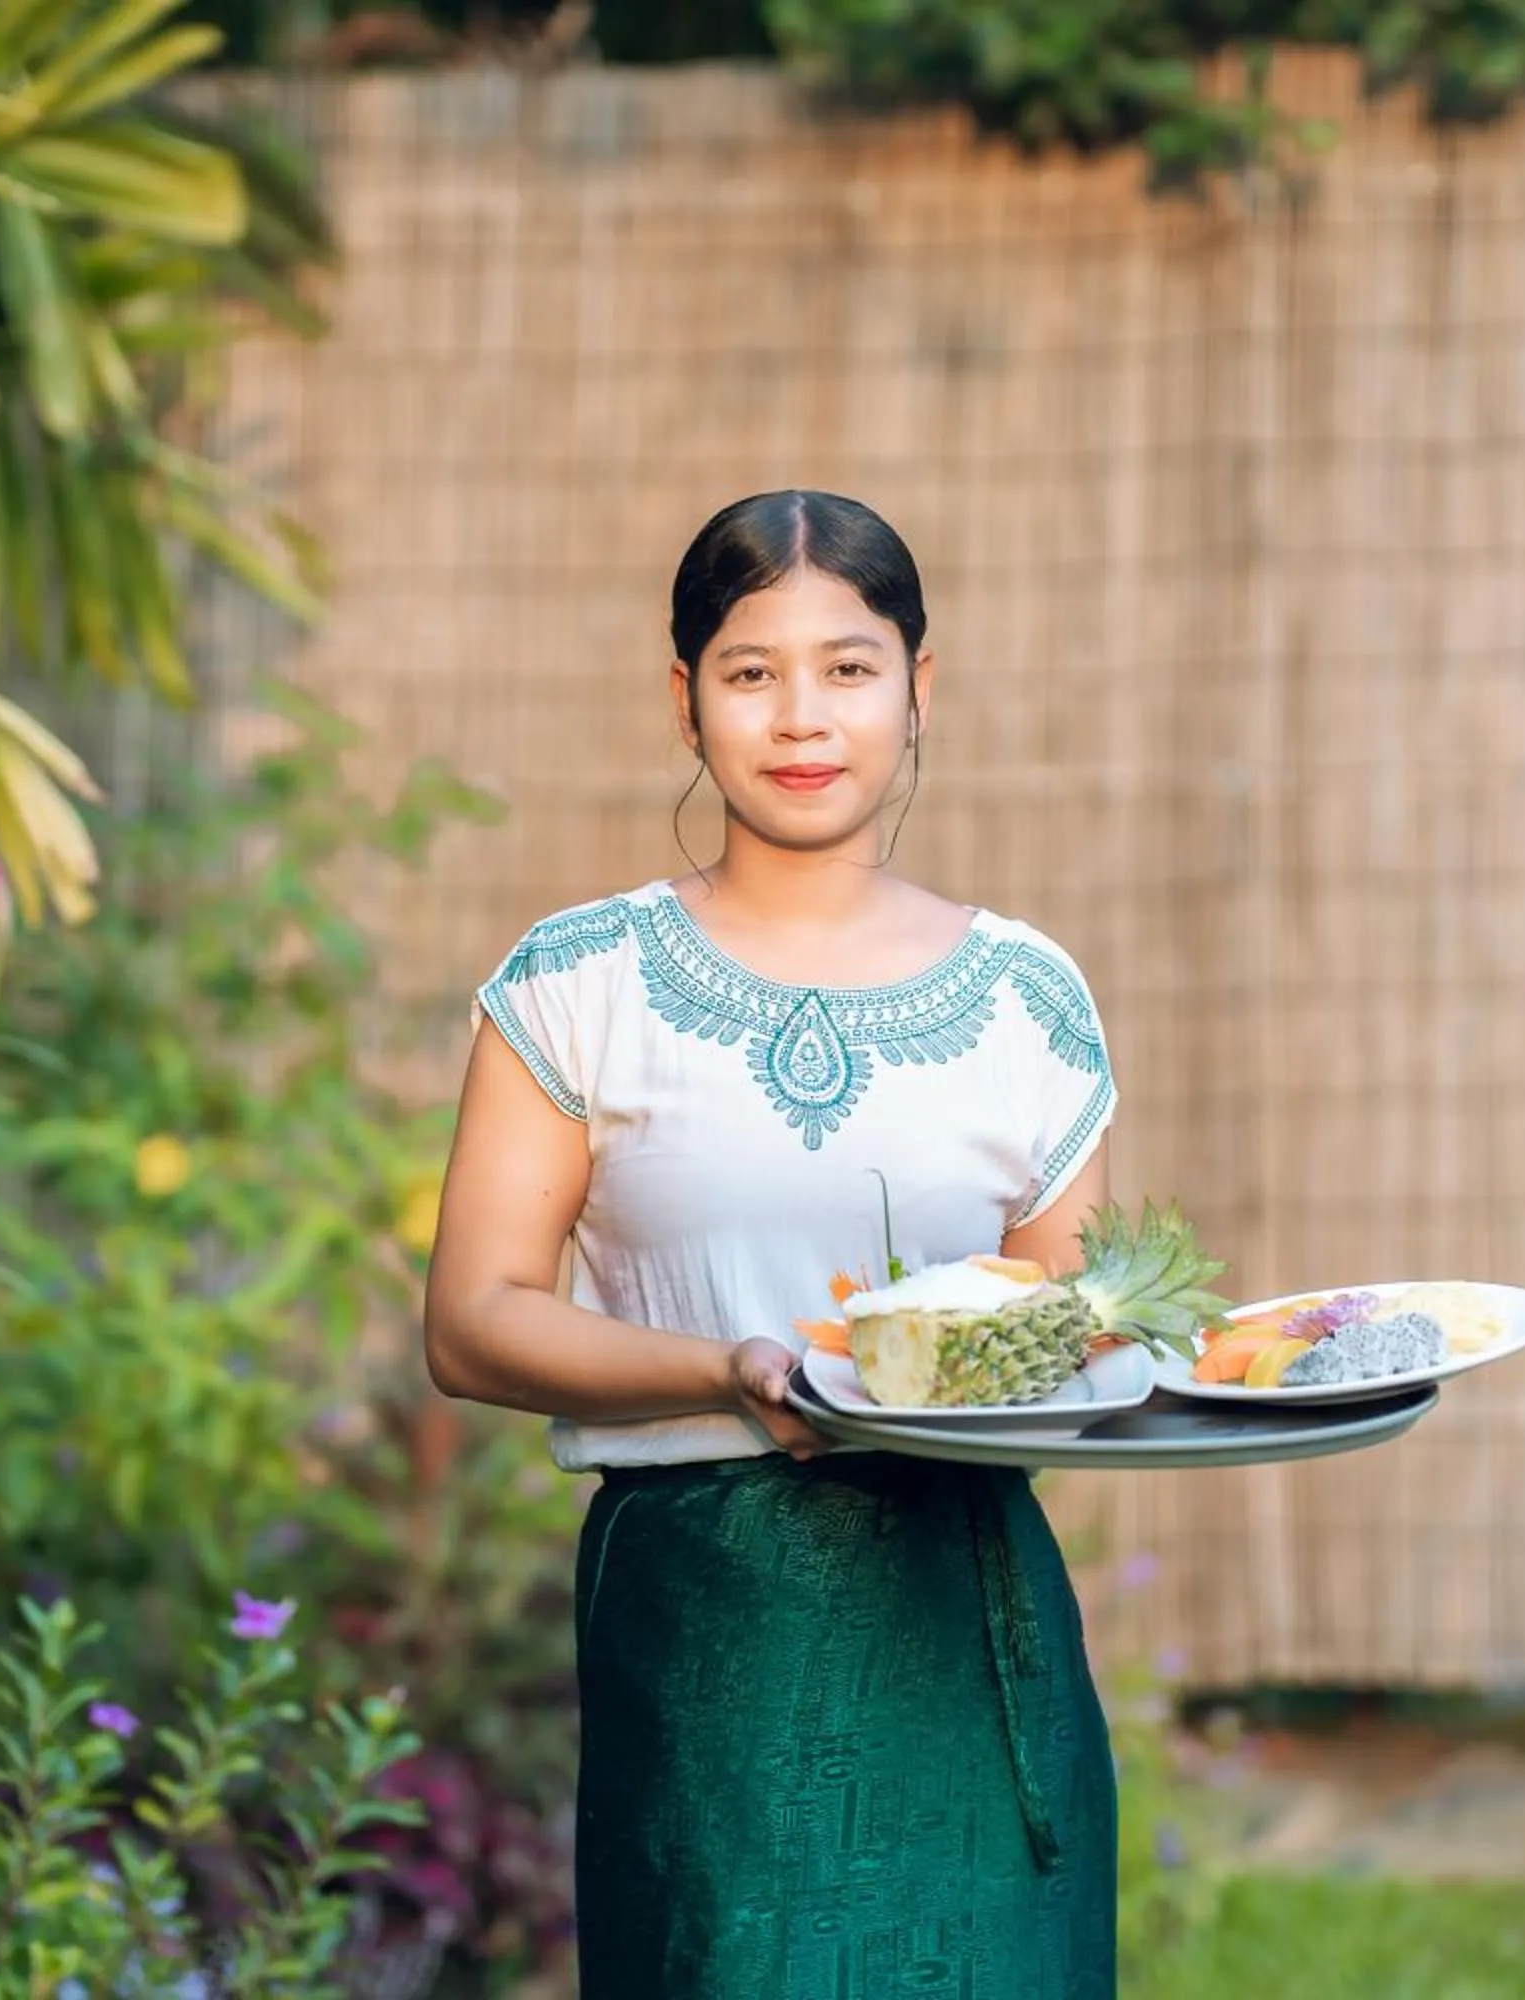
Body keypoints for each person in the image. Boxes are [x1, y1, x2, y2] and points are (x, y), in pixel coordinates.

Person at [421, 490, 1122, 1997]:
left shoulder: (1025, 999)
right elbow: (474, 1318)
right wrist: (726, 1372)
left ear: (920, 689)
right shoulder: (577, 982)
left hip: (967, 1623)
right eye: (751, 673)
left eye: (850, 668)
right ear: (685, 700)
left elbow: (1085, 1328)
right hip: (712, 1638)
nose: (803, 717)